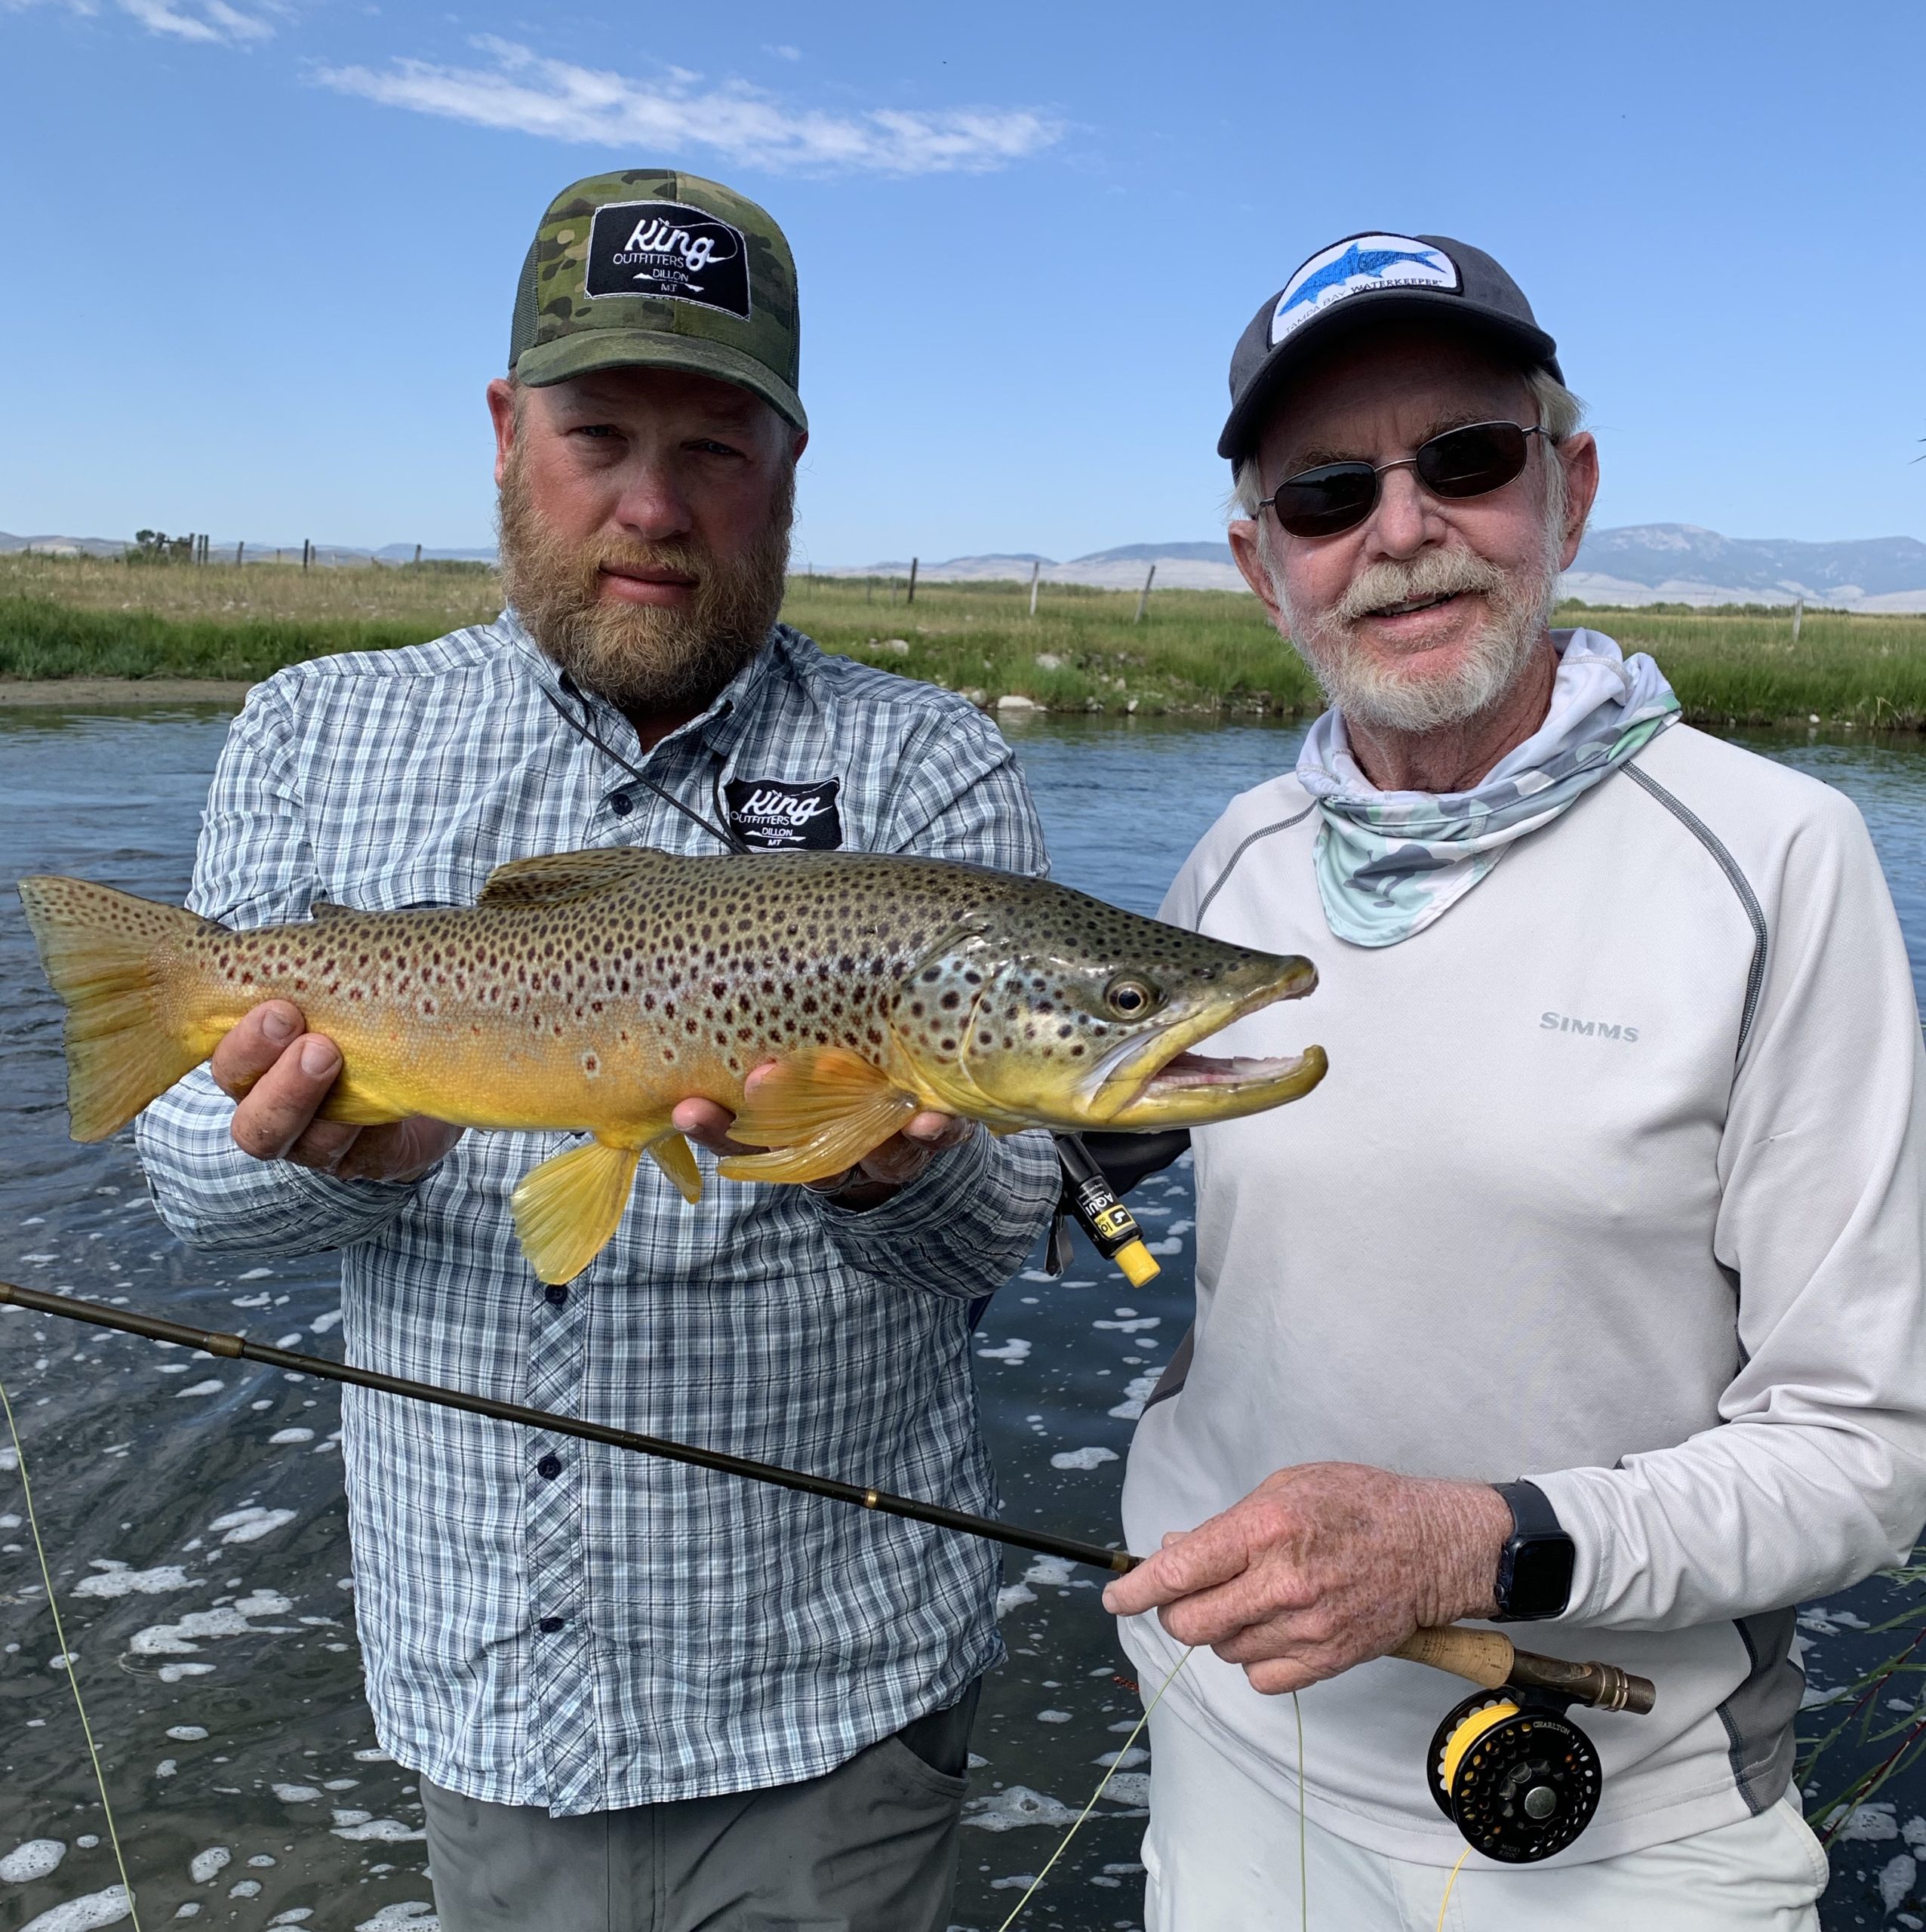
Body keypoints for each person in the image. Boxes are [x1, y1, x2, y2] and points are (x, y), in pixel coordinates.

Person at [134, 169, 1060, 1932]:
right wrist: (307, 1149)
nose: (651, 505)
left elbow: (986, 1240)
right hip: (488, 1690)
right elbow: (185, 1186)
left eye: (716, 447)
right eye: (600, 433)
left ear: (792, 462)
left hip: (836, 1697)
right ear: (504, 431)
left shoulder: (930, 765)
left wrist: (888, 1164)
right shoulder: (312, 730)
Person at [1102, 231, 1926, 1929]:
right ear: (1264, 567)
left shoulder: (1778, 855)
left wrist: (1478, 1540)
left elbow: (1869, 1450)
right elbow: (1086, 1194)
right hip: (1234, 1748)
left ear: (1570, 489)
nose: (1399, 532)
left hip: (1623, 1805)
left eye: (1463, 461)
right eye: (1327, 494)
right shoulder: (1235, 859)